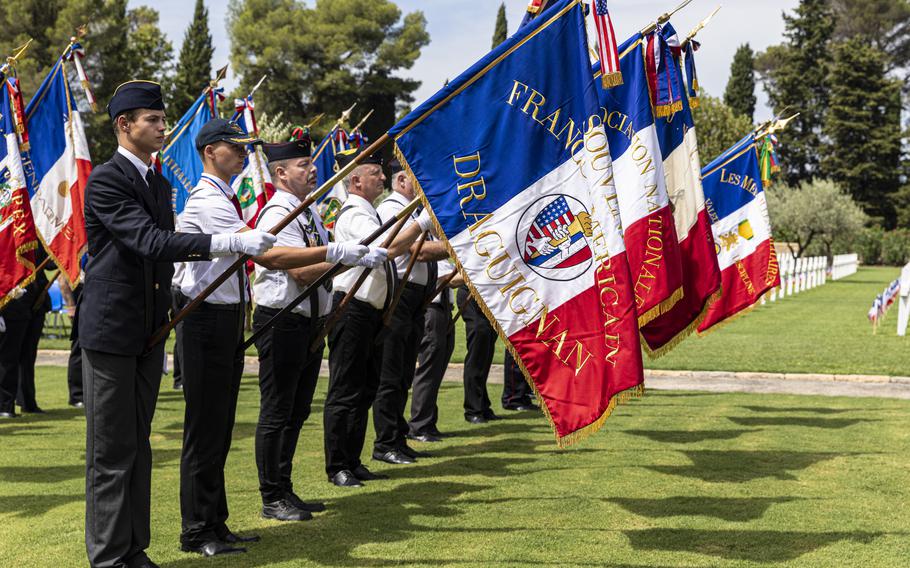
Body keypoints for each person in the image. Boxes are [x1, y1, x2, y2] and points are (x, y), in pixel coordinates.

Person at [79, 81, 277, 568]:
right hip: (111, 330)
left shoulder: (158, 182)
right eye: (153, 118)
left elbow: (161, 255)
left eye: (164, 118)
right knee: (111, 450)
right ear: (124, 125)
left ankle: (134, 549)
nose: (163, 127)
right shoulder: (107, 179)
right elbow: (148, 242)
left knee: (138, 446)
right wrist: (226, 243)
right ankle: (108, 557)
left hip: (147, 329)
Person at [174, 117, 294, 557]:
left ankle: (215, 522)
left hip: (224, 318)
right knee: (204, 428)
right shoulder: (208, 201)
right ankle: (196, 530)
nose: (244, 154)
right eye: (236, 147)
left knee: (220, 427)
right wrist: (334, 253)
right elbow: (262, 250)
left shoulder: (225, 197)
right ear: (210, 152)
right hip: (204, 320)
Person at [252, 137, 385, 521]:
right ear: (280, 172)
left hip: (308, 321)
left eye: (311, 163)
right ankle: (271, 495)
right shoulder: (279, 212)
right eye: (303, 164)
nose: (313, 170)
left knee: (296, 411)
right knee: (278, 411)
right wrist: (344, 258)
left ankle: (284, 488)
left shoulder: (306, 212)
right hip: (282, 321)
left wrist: (344, 260)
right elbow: (299, 271)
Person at [324, 147, 433, 488]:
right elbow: (387, 246)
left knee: (365, 387)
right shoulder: (354, 213)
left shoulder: (368, 212)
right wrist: (425, 221)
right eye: (375, 173)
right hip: (352, 307)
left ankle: (352, 459)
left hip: (371, 310)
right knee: (345, 389)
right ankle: (338, 463)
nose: (382, 178)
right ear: (355, 180)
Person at [373, 159, 448, 461]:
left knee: (405, 372)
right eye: (419, 179)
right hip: (401, 295)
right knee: (391, 373)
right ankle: (386, 442)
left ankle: (398, 437)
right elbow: (416, 251)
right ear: (402, 180)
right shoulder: (395, 209)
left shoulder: (414, 212)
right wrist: (456, 246)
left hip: (419, 296)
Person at [408, 262, 461, 441]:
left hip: (445, 308)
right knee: (430, 365)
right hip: (433, 308)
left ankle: (428, 422)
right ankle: (419, 425)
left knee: (439, 364)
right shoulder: (433, 249)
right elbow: (448, 279)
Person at [458, 287, 501, 424]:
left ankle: (482, 405)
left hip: (488, 296)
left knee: (485, 353)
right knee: (477, 353)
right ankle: (473, 410)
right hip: (471, 296)